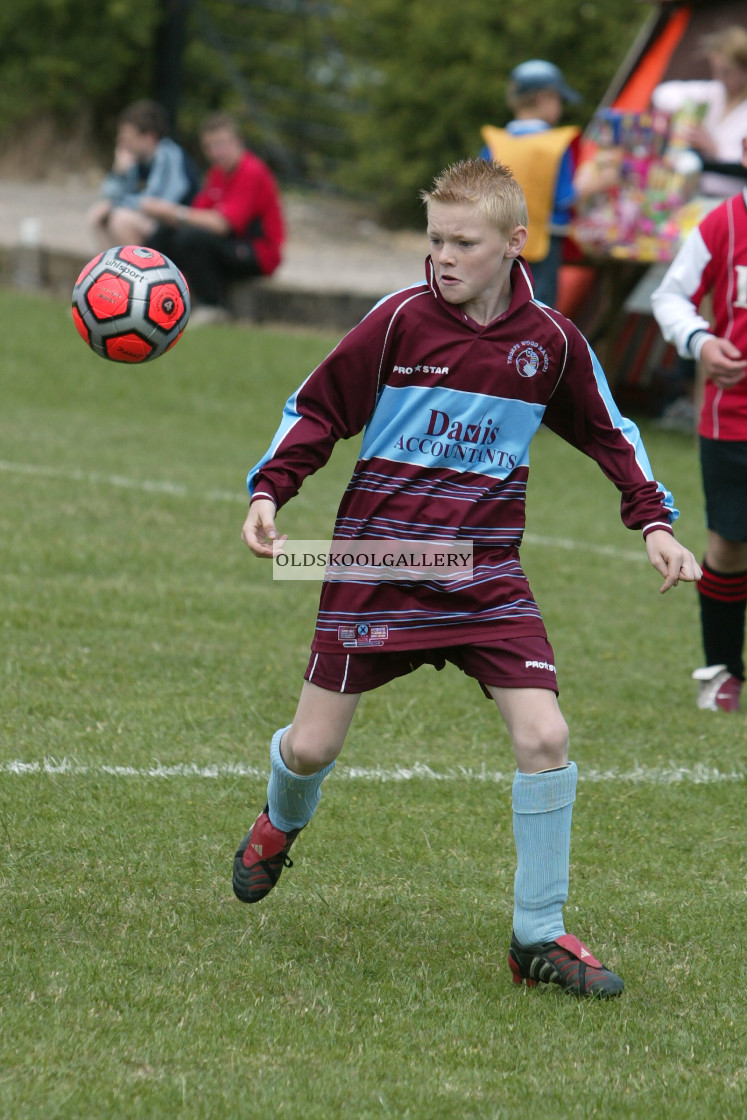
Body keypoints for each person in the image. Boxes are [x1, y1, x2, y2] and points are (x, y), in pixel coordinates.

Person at [231, 158, 701, 999]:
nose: (443, 257)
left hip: (485, 575)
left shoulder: (550, 342)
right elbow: (317, 408)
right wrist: (271, 490)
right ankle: (279, 821)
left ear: (514, 244)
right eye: (434, 240)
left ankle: (536, 936)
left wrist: (654, 522)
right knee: (310, 746)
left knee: (544, 738)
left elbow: (610, 432)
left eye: (462, 242)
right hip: (376, 565)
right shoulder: (399, 322)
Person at [651, 137, 747, 713]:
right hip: (733, 423)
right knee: (729, 546)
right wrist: (701, 340)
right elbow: (671, 296)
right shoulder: (722, 224)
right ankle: (722, 671)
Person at [652, 27, 747, 433]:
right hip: (702, 211)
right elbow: (663, 94)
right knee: (682, 290)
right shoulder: (710, 95)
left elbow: (732, 163)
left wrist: (712, 151)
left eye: (732, 71)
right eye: (719, 69)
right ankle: (679, 385)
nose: (724, 79)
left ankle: (684, 388)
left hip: (734, 206)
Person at [479, 60, 618, 307]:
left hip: (498, 241)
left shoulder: (494, 142)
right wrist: (596, 183)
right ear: (544, 98)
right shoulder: (556, 144)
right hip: (544, 243)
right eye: (559, 100)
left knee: (497, 303)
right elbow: (563, 197)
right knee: (537, 306)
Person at [142, 112, 285, 326]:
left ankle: (213, 306)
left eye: (220, 144)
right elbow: (197, 213)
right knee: (167, 233)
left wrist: (172, 211)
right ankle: (147, 295)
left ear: (237, 142)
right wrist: (168, 216)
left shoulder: (251, 171)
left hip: (258, 252)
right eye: (209, 147)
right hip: (230, 244)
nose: (215, 152)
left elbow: (221, 224)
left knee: (191, 238)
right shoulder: (217, 173)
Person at [87, 100, 198, 250]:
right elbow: (108, 195)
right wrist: (119, 173)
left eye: (127, 136)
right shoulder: (137, 160)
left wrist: (116, 203)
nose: (121, 141)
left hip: (177, 226)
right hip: (153, 221)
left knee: (121, 220)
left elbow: (155, 204)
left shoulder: (168, 156)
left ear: (149, 138)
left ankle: (139, 272)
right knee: (97, 215)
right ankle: (113, 270)